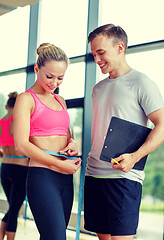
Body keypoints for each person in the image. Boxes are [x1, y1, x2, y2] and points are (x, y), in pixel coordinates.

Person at [84, 24, 164, 240]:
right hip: (94, 175)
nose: (97, 59)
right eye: (93, 54)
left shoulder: (142, 83)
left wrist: (134, 157)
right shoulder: (97, 89)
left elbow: (162, 125)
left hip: (124, 177)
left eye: (101, 53)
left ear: (120, 48)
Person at [13, 43, 81, 240]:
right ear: (37, 69)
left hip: (65, 179)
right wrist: (59, 163)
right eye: (49, 76)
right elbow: (21, 144)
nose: (54, 83)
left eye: (60, 78)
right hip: (43, 177)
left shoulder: (61, 101)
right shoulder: (26, 99)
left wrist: (73, 143)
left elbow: (67, 135)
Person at [0, 92, 29, 240]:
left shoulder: (0, 122)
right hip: (20, 168)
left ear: (6, 106)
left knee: (13, 206)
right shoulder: (18, 121)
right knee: (14, 208)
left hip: (4, 169)